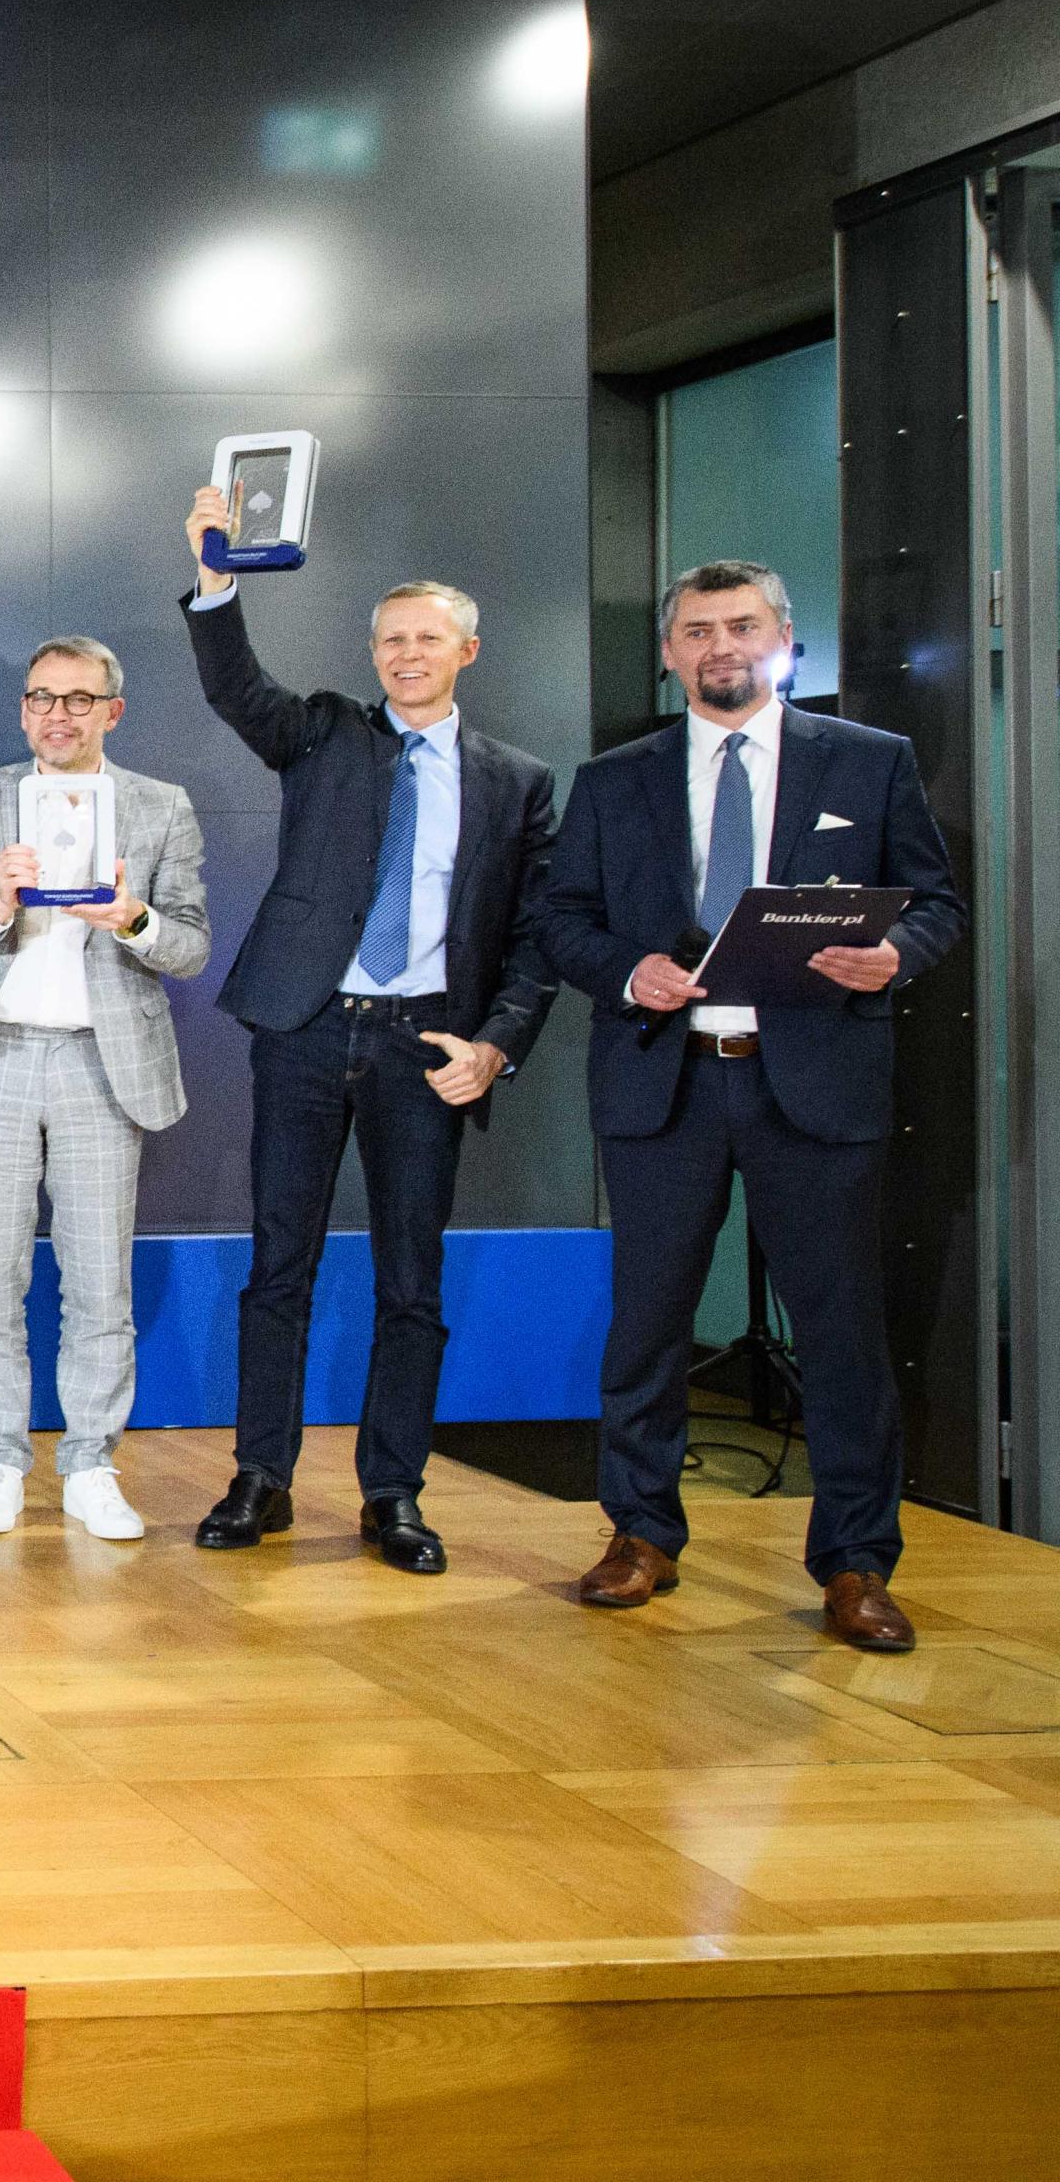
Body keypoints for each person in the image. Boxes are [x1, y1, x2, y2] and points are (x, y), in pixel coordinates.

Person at [530, 560, 963, 1651]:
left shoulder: (869, 761)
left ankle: (857, 1562)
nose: (720, 645)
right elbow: (562, 920)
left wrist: (896, 956)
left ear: (783, 639)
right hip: (663, 1082)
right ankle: (641, 1533)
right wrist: (629, 971)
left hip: (815, 1083)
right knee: (647, 1325)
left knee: (842, 1331)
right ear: (669, 652)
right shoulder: (613, 778)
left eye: (741, 625)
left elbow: (935, 904)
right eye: (697, 629)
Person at [180, 492, 558, 1574]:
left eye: (426, 639)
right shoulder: (325, 732)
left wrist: (495, 1043)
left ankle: (394, 1493)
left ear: (466, 652)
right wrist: (215, 579)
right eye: (390, 639)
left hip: (426, 1047)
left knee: (411, 1283)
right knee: (278, 1267)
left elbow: (536, 935)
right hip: (305, 1028)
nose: (405, 656)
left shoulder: (518, 782)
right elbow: (238, 688)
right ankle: (261, 1477)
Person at [0, 637, 209, 1541]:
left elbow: (190, 946)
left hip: (101, 1063)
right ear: (24, 709)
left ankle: (91, 1464)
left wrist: (134, 919)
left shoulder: (160, 806)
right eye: (42, 698)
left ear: (113, 711)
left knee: (99, 1281)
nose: (58, 715)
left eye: (80, 700)